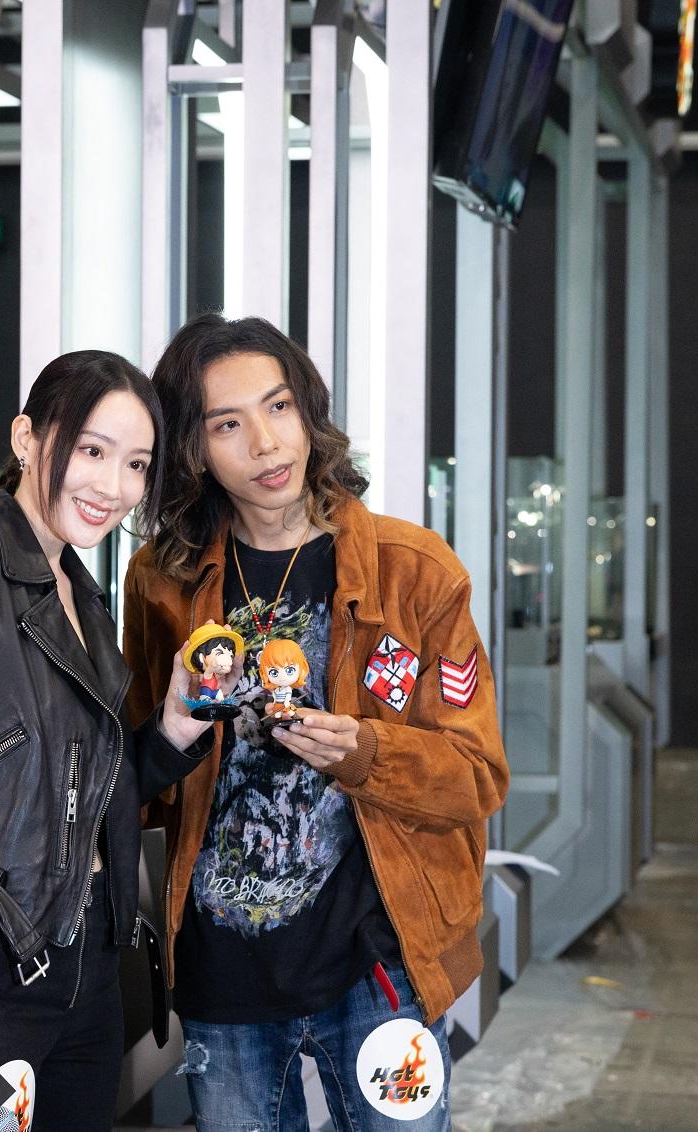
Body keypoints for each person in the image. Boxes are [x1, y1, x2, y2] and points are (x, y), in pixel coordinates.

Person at [122, 314, 509, 1131]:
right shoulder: (161, 582)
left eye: (279, 407)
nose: (266, 444)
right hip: (223, 975)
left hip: (377, 967)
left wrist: (365, 751)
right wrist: (170, 736)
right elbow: (139, 782)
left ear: (308, 411)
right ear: (193, 448)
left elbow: (477, 776)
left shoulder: (415, 573)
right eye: (228, 424)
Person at [0, 350, 221, 1131]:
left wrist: (172, 727)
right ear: (27, 438)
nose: (113, 486)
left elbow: (84, 791)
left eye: (136, 464)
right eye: (93, 450)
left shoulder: (83, 596)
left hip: (86, 965)